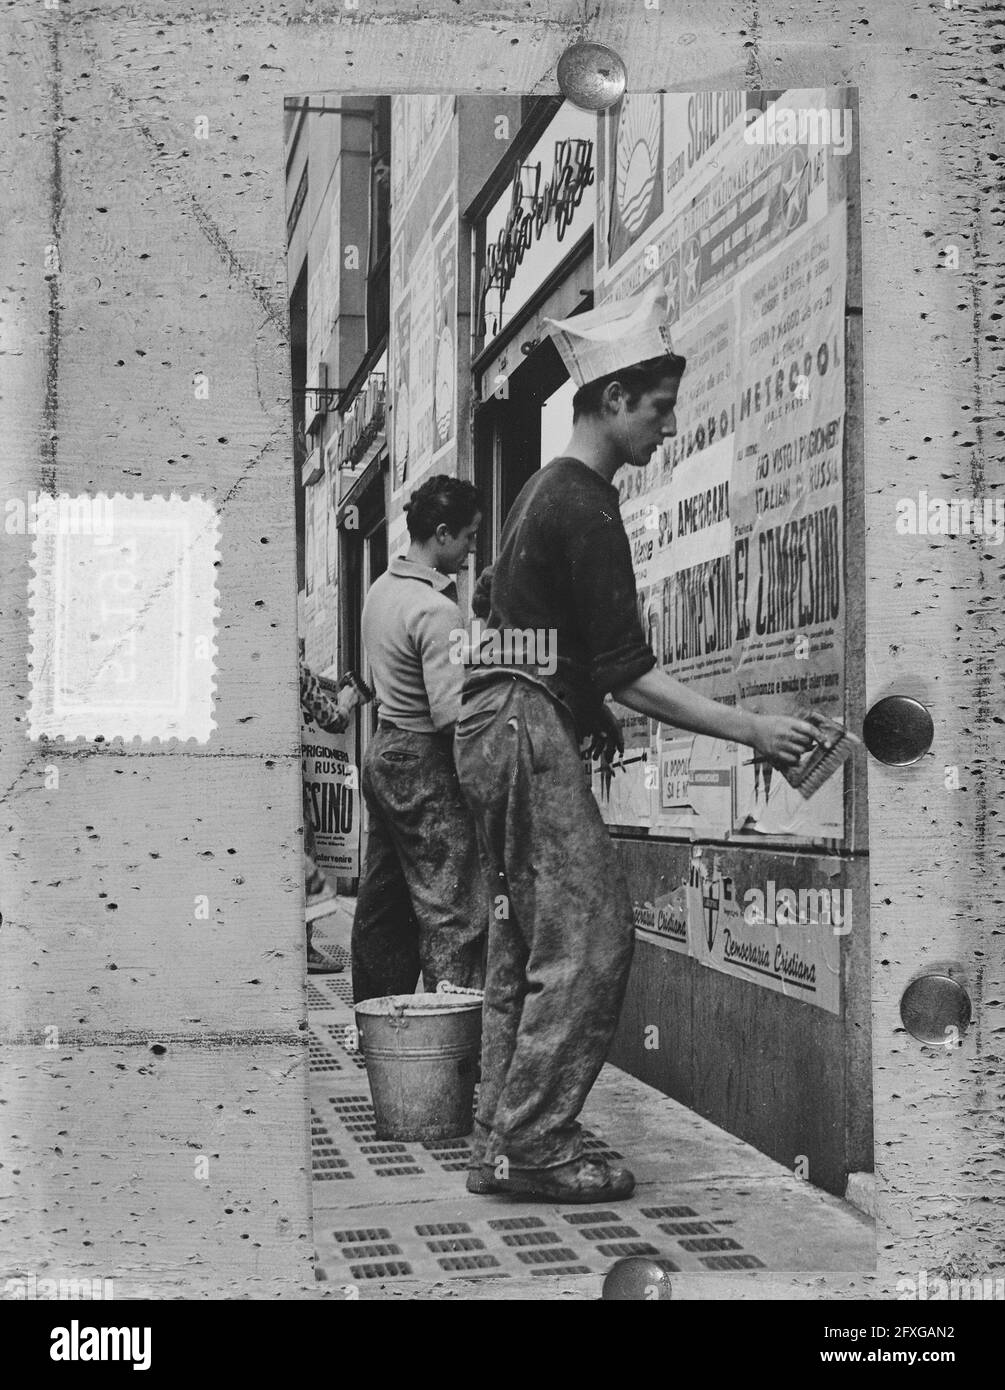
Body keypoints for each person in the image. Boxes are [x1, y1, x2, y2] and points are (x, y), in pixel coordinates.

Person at [454, 284, 818, 1203]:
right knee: (589, 940)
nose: (665, 430)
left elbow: (512, 617)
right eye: (656, 409)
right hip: (519, 726)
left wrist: (579, 707)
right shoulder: (585, 503)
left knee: (529, 943)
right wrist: (754, 731)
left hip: (499, 722)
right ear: (613, 399)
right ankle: (534, 1141)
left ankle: (502, 1133)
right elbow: (629, 669)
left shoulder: (542, 492)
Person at [351, 475, 487, 1003]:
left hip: (383, 752)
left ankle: (378, 1023)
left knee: (383, 901)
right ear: (443, 532)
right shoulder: (438, 610)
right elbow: (451, 715)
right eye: (470, 537)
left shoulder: (380, 593)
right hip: (424, 759)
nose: (473, 549)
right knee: (451, 904)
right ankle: (450, 1048)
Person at [299, 649, 367, 972]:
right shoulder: (295, 670)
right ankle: (305, 948)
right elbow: (333, 720)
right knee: (304, 862)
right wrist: (349, 698)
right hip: (288, 783)